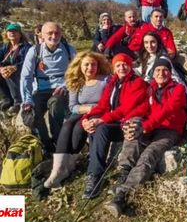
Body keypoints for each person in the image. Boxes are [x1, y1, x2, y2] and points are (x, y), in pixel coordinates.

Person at [105, 58, 187, 217]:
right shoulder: (151, 88)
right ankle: (124, 171)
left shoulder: (178, 89)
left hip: (170, 129)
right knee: (134, 123)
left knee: (150, 153)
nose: (161, 73)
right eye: (157, 70)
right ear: (153, 73)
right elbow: (142, 108)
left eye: (165, 70)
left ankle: (123, 194)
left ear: (170, 73)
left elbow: (168, 109)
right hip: (152, 126)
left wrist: (146, 126)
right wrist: (127, 124)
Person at [80, 53, 150, 199]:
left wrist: (102, 119)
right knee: (96, 127)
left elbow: (125, 108)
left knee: (100, 126)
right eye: (118, 65)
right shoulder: (112, 83)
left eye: (125, 64)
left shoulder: (137, 83)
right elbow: (103, 105)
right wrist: (86, 118)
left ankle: (96, 174)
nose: (122, 67)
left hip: (127, 123)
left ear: (130, 66)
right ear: (114, 68)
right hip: (115, 121)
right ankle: (95, 174)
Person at [44, 51, 110, 189]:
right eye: (86, 64)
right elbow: (73, 106)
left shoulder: (105, 80)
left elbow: (107, 103)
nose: (90, 68)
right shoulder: (76, 82)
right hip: (82, 111)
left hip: (98, 114)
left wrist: (92, 109)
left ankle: (70, 161)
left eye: (93, 64)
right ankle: (57, 170)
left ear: (98, 66)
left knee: (79, 127)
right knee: (68, 125)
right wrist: (89, 108)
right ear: (80, 66)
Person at [20, 22, 76, 153]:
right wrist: (27, 100)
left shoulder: (69, 50)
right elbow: (26, 77)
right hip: (41, 89)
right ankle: (46, 145)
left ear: (61, 34)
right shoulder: (34, 51)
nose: (53, 36)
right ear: (42, 35)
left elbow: (76, 73)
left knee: (55, 104)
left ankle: (58, 140)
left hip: (61, 89)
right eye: (49, 33)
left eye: (57, 33)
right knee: (33, 114)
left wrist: (65, 86)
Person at [0, 23, 31, 115]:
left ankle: (18, 102)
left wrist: (15, 67)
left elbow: (28, 63)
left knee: (10, 72)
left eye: (15, 31)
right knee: (5, 72)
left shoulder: (26, 47)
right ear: (6, 34)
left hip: (21, 73)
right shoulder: (5, 47)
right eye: (9, 31)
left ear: (20, 34)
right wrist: (1, 68)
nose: (12, 33)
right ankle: (7, 99)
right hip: (7, 73)